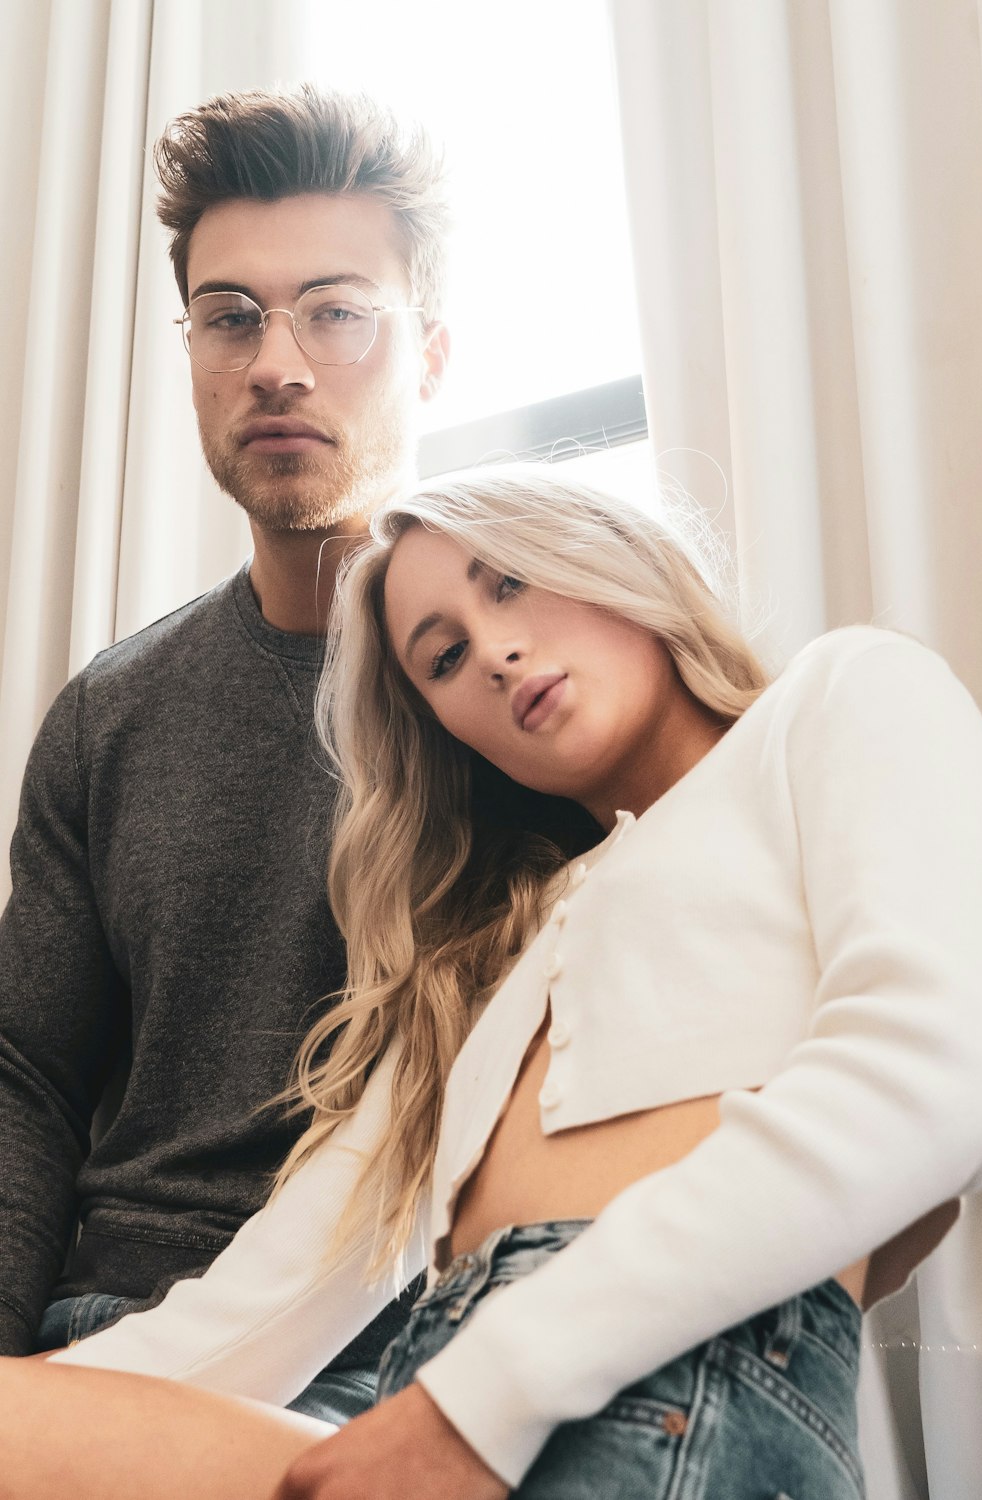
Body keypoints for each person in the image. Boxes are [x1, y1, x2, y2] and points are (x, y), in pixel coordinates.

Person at [3, 466, 982, 1500]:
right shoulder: (485, 962)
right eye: (441, 657)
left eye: (511, 582)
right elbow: (264, 1303)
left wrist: (486, 1393)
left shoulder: (837, 697)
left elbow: (941, 1066)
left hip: (661, 1387)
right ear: (448, 734)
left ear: (605, 550)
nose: (490, 650)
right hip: (425, 1394)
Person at [0, 83, 455, 1422]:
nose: (276, 363)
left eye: (337, 309)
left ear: (431, 353)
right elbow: (26, 1073)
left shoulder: (529, 690)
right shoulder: (111, 710)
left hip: (403, 1348)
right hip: (111, 1328)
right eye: (231, 314)